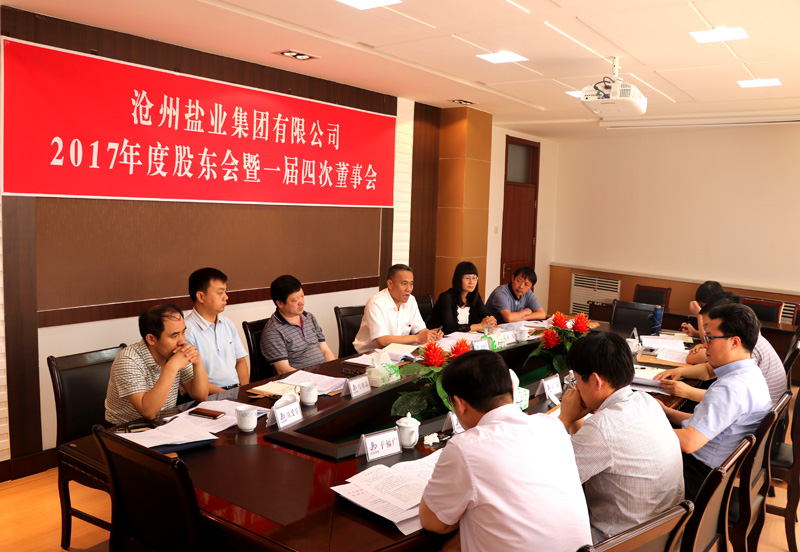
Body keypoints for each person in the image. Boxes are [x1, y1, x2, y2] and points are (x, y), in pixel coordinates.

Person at [420, 350, 592, 551]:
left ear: (459, 404)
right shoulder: (552, 426)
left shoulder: (465, 447)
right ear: (512, 385)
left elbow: (433, 522)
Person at [558, 332, 684, 543]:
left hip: (620, 542)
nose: (575, 387)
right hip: (665, 536)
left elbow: (550, 478)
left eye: (576, 380)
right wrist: (576, 418)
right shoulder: (646, 401)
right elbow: (587, 449)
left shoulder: (601, 428)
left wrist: (565, 418)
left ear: (596, 380)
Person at [661, 303, 772, 499]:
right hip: (715, 472)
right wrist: (667, 412)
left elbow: (689, 442)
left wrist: (642, 429)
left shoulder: (731, 388)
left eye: (710, 338)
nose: (705, 345)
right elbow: (708, 425)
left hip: (698, 477)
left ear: (734, 342)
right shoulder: (751, 374)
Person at [656, 294, 786, 406]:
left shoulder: (747, 348)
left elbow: (727, 399)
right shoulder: (745, 339)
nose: (705, 343)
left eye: (709, 333)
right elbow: (709, 370)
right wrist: (680, 371)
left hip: (757, 416)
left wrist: (686, 391)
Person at [105, 304, 210, 424]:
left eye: (183, 332)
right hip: (126, 428)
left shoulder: (174, 353)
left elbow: (200, 395)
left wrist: (197, 361)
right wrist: (172, 367)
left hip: (164, 423)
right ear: (151, 339)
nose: (182, 341)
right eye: (175, 335)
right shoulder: (128, 360)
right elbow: (148, 412)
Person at [185, 267, 249, 393]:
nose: (226, 297)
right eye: (220, 293)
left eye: (225, 292)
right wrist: (227, 395)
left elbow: (240, 361)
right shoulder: (187, 330)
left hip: (236, 392)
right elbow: (191, 381)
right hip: (208, 396)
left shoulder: (227, 323)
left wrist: (244, 391)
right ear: (201, 296)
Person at [353, 264, 443, 353]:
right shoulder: (375, 303)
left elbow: (420, 329)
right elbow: (382, 341)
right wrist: (417, 338)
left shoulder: (411, 300)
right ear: (390, 284)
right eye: (404, 284)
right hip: (370, 354)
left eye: (411, 284)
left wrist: (431, 334)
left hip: (399, 351)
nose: (409, 289)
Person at [261, 274, 336, 373]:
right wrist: (314, 379)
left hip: (323, 374)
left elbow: (325, 350)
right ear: (280, 303)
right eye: (295, 300)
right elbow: (283, 370)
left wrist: (332, 370)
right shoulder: (273, 330)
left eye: (302, 296)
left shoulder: (309, 317)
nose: (301, 302)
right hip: (301, 380)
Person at [429, 261, 496, 334]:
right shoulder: (446, 297)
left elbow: (485, 314)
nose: (471, 282)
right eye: (467, 278)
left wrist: (491, 319)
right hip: (442, 338)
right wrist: (479, 326)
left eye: (474, 278)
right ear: (458, 279)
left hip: (466, 337)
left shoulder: (474, 296)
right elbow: (450, 328)